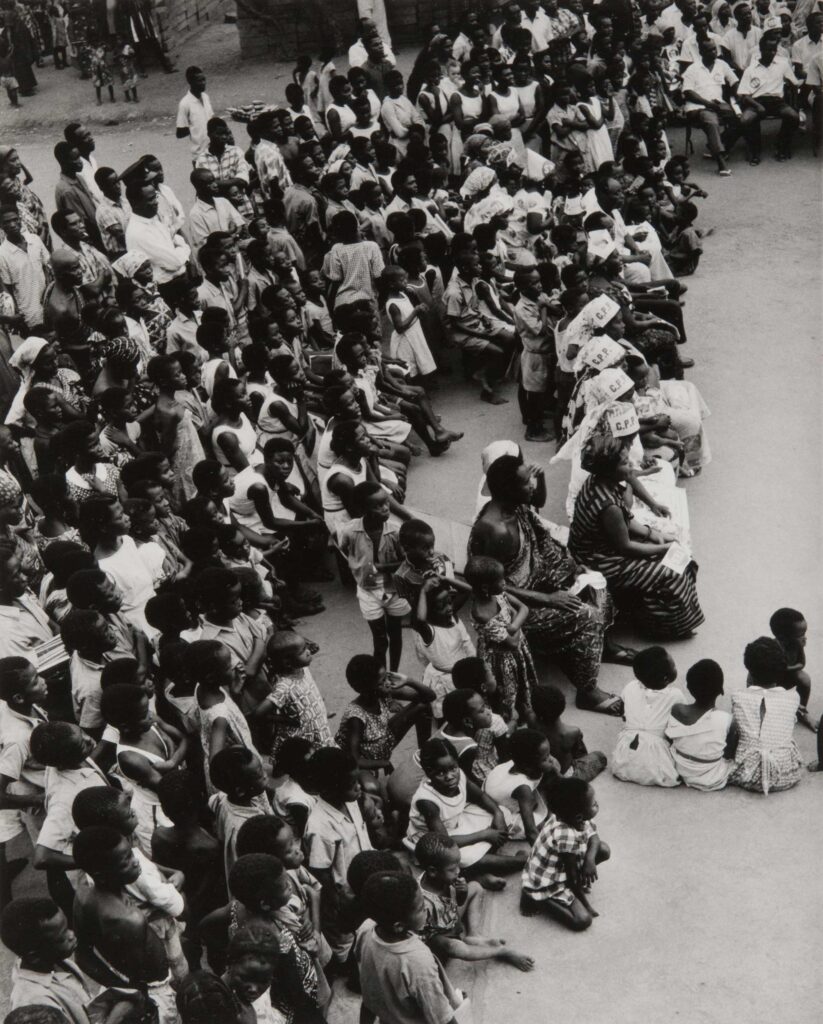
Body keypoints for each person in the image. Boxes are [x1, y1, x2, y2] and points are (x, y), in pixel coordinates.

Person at [469, 453, 627, 716]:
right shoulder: (492, 529)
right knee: (587, 615)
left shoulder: (516, 507)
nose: (531, 485)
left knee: (596, 584)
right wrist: (548, 599)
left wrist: (574, 569)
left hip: (538, 578)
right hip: (516, 606)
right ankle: (587, 691)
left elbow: (539, 517)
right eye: (526, 482)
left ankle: (601, 648)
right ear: (508, 490)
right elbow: (493, 587)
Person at [568, 427, 705, 640]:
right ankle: (663, 627)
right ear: (609, 469)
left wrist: (652, 534)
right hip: (600, 560)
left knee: (677, 553)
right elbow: (625, 546)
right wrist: (663, 547)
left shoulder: (599, 483)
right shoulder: (608, 505)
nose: (631, 465)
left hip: (602, 547)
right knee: (673, 571)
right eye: (624, 463)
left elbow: (626, 520)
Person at [72, 826, 177, 1024]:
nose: (135, 862)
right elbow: (138, 981)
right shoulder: (129, 919)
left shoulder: (83, 895)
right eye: (125, 861)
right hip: (153, 991)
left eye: (131, 854)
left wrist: (117, 988)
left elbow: (83, 955)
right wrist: (135, 997)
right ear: (101, 873)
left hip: (121, 981)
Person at [355, 870, 469, 1024]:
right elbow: (441, 1017)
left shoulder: (365, 929)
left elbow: (368, 986)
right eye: (421, 908)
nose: (426, 910)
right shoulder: (418, 961)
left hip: (389, 1014)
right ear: (398, 926)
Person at [405, 737, 526, 880]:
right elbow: (445, 842)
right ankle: (518, 862)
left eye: (453, 768)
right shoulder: (427, 801)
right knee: (459, 858)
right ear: (428, 772)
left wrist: (497, 813)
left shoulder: (459, 775)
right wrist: (484, 834)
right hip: (436, 841)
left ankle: (479, 870)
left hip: (457, 820)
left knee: (503, 813)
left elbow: (480, 796)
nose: (450, 776)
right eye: (441, 773)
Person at [414, 831, 534, 971]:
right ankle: (502, 952)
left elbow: (458, 902)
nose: (458, 871)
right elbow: (430, 932)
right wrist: (453, 932)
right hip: (438, 934)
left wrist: (462, 892)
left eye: (458, 865)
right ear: (433, 871)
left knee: (475, 887)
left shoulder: (444, 877)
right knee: (455, 948)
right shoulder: (423, 902)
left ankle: (474, 935)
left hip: (450, 916)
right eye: (453, 869)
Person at [303, 747, 373, 969]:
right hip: (343, 899)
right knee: (348, 947)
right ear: (332, 788)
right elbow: (321, 873)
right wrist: (337, 907)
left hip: (363, 886)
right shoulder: (319, 826)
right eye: (352, 784)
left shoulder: (350, 801)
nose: (358, 787)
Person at [520, 777, 610, 930]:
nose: (597, 804)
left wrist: (589, 859)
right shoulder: (565, 834)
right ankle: (535, 898)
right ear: (579, 816)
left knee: (603, 849)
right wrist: (586, 905)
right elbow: (572, 879)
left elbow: (594, 836)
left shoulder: (574, 817)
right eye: (594, 804)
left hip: (562, 864)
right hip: (549, 881)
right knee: (583, 920)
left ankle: (577, 880)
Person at [339, 481, 411, 670]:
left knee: (395, 635)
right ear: (363, 509)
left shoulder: (396, 531)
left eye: (386, 502)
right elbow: (345, 548)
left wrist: (382, 566)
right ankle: (380, 679)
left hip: (394, 589)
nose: (385, 508)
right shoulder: (350, 530)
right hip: (368, 592)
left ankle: (393, 673)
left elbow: (407, 562)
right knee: (380, 640)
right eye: (378, 505)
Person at [464, 555, 536, 723]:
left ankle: (523, 709)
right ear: (484, 588)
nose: (504, 582)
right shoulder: (481, 613)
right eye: (500, 580)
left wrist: (512, 626)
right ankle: (507, 722)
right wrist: (514, 620)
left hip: (514, 649)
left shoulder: (498, 594)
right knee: (504, 693)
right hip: (500, 661)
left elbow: (524, 608)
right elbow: (512, 643)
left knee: (522, 682)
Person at [336, 652, 434, 772]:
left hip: (383, 741)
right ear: (367, 689)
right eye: (381, 682)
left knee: (423, 706)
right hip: (366, 759)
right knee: (372, 787)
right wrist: (384, 763)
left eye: (386, 677)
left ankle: (426, 757)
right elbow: (355, 759)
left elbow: (430, 697)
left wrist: (409, 680)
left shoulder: (383, 691)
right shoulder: (355, 717)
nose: (387, 683)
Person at [1, 897, 94, 1022]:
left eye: (68, 928)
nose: (71, 935)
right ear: (35, 957)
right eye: (62, 938)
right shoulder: (34, 1002)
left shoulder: (57, 962)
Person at [728, 637, 802, 794]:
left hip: (747, 775)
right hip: (785, 775)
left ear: (749, 670)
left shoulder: (738, 696)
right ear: (781, 669)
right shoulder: (793, 697)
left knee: (738, 727)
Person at [611, 645, 683, 787]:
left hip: (624, 757)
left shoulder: (630, 687)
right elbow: (679, 725)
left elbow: (623, 712)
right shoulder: (675, 696)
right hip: (655, 755)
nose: (676, 667)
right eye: (674, 666)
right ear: (665, 678)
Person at [665, 659, 734, 791]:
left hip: (680, 768)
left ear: (689, 688)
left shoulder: (677, 710)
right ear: (721, 690)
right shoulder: (727, 720)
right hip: (712, 777)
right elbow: (729, 753)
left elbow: (670, 739)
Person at [482, 729, 555, 844]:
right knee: (545, 824)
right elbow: (531, 832)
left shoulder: (519, 761)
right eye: (545, 759)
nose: (551, 759)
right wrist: (543, 854)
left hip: (497, 790)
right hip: (502, 812)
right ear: (528, 766)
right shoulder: (523, 789)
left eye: (549, 754)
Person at [738, 33, 801, 162]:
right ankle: (755, 150)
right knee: (745, 120)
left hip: (777, 101)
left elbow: (794, 83)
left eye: (774, 50)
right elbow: (744, 94)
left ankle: (781, 144)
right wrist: (757, 106)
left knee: (794, 117)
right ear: (761, 50)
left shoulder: (782, 64)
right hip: (756, 102)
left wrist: (794, 101)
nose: (772, 53)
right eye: (769, 50)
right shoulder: (751, 69)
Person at [681, 38, 739, 175]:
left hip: (717, 104)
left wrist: (737, 97)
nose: (713, 52)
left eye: (715, 49)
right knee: (711, 121)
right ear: (701, 52)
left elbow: (734, 81)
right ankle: (721, 163)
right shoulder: (693, 69)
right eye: (709, 50)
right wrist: (709, 104)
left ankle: (716, 145)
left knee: (740, 120)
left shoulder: (721, 64)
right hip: (697, 107)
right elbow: (688, 92)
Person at [531, 685, 607, 781]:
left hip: (542, 774)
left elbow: (529, 712)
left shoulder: (532, 722)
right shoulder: (572, 732)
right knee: (600, 756)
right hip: (564, 776)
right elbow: (581, 754)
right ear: (563, 706)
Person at [0, 204, 50, 334]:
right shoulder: (2, 254)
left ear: (20, 219)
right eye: (7, 222)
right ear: (1, 226)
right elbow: (7, 289)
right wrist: (17, 315)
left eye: (15, 219)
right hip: (30, 317)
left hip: (51, 308)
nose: (12, 224)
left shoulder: (35, 240)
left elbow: (48, 267)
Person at [177, 65, 214, 161]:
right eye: (199, 81)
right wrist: (195, 129)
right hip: (199, 156)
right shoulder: (184, 104)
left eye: (204, 79)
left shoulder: (205, 97)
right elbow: (180, 132)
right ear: (190, 82)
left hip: (213, 150)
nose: (203, 83)